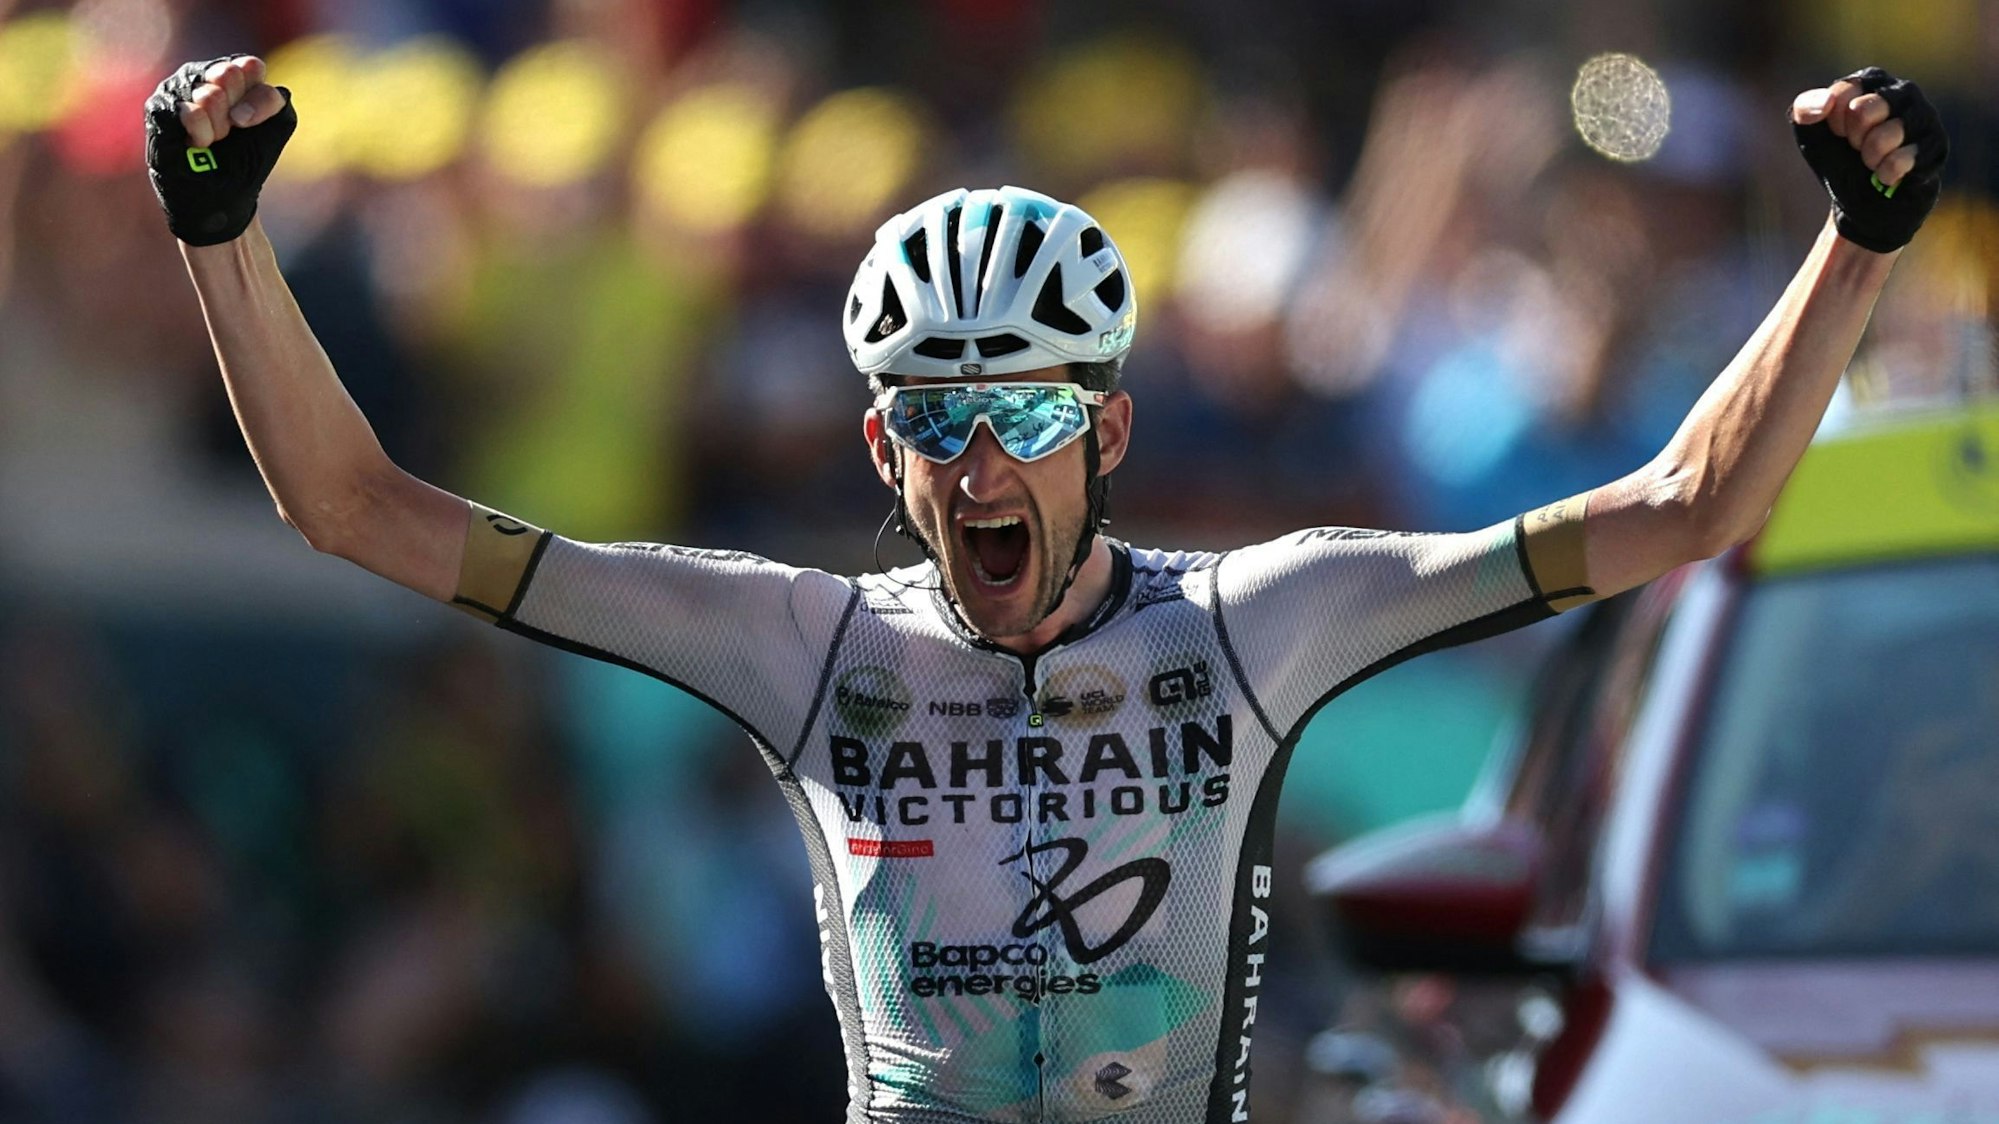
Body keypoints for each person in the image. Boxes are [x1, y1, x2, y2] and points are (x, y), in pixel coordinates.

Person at [144, 54, 1946, 1124]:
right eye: (937, 416)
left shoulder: (1259, 625)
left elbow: (1686, 506)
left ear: (1111, 433)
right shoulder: (804, 649)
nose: (979, 462)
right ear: (879, 452)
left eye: (1022, 411)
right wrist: (219, 239)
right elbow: (358, 510)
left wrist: (1855, 251)